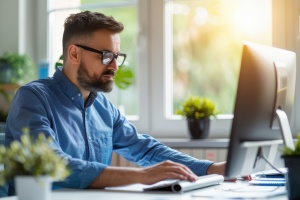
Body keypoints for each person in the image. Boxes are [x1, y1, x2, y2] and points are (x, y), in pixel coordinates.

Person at [5, 11, 235, 193]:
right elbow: (54, 165)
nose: (114, 66)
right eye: (106, 56)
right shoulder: (32, 98)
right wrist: (144, 176)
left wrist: (211, 169)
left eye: (117, 57)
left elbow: (144, 148)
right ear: (74, 54)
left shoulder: (103, 108)